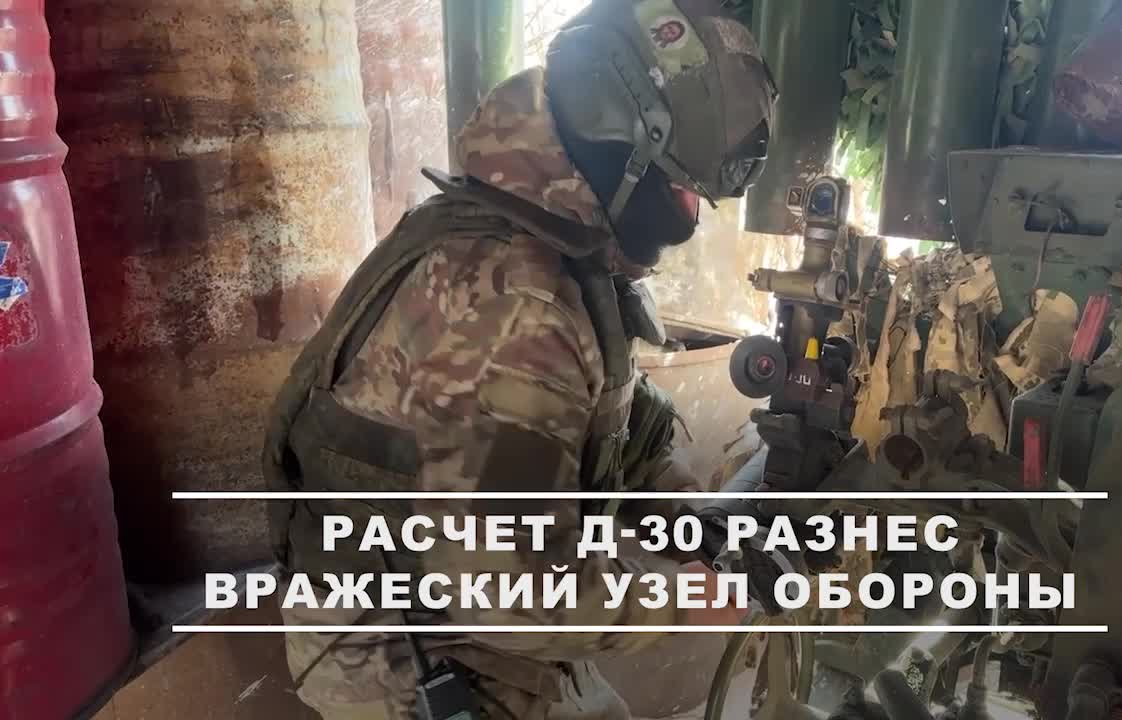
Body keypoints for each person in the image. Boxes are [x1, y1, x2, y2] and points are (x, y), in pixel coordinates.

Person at [262, 0, 776, 717]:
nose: (690, 215)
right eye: (682, 187)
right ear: (619, 149)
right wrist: (683, 602)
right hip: (401, 647)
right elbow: (508, 591)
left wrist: (693, 520)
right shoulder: (520, 302)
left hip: (459, 599)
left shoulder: (553, 241)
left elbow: (611, 432)